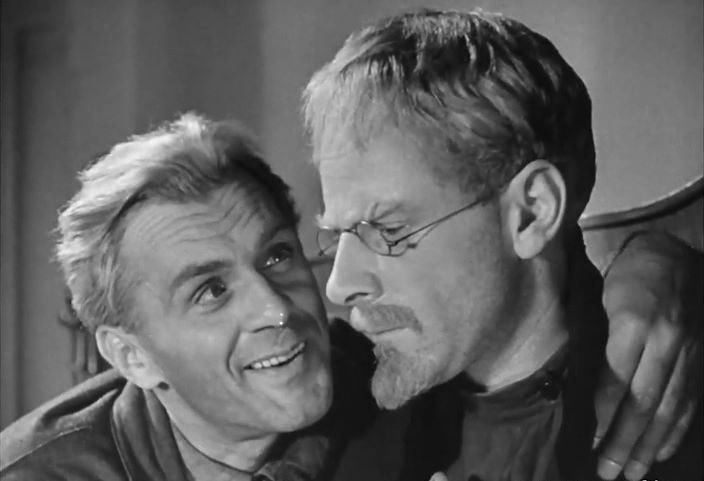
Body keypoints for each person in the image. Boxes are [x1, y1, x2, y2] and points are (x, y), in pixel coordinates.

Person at [304, 8, 702, 481]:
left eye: (387, 228)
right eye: (339, 234)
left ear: (532, 212)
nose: (338, 285)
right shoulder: (340, 408)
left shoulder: (676, 425)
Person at [0, 115, 375, 480]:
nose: (276, 310)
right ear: (133, 357)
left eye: (277, 256)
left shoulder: (394, 397)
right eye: (212, 291)